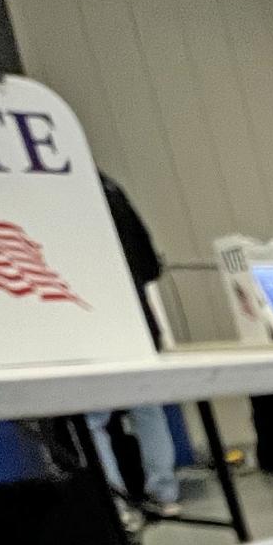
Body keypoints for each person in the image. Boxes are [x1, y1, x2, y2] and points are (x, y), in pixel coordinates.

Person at [87, 173, 181, 520]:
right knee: (147, 407)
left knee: (94, 417)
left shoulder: (60, 192)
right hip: (137, 318)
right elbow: (149, 262)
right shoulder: (111, 187)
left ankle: (117, 505)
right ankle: (164, 493)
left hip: (89, 315)